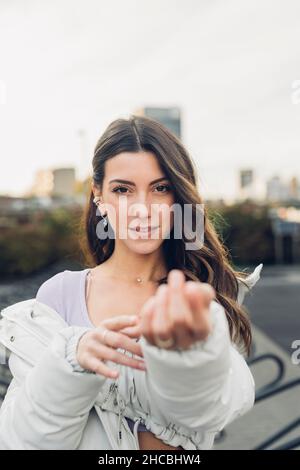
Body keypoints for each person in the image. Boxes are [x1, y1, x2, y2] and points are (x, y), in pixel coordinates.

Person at [0, 115, 263, 450]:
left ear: (178, 198)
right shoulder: (59, 294)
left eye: (160, 188)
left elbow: (216, 409)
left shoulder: (206, 294)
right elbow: (24, 439)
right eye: (123, 190)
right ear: (98, 195)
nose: (143, 209)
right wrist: (70, 363)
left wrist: (191, 355)